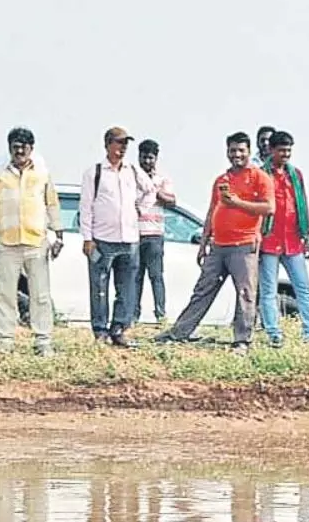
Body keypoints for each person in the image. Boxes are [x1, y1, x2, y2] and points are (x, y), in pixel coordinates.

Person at [155, 132, 273, 353]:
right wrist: (203, 243)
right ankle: (179, 332)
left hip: (244, 244)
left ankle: (242, 340)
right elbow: (212, 210)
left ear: (248, 151)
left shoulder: (259, 177)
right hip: (218, 245)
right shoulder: (222, 180)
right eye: (232, 150)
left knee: (245, 293)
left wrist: (238, 203)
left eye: (241, 150)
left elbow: (269, 208)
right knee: (203, 289)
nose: (236, 154)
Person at [0, 126, 63, 355]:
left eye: (23, 147)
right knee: (4, 294)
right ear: (9, 148)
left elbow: (53, 205)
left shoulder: (42, 175)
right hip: (7, 244)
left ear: (31, 149)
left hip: (36, 242)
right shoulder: (0, 176)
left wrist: (59, 235)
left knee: (40, 294)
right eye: (15, 147)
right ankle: (5, 341)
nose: (19, 151)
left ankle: (43, 341)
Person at [80, 126, 154, 347]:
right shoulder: (95, 172)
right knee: (99, 287)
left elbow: (150, 190)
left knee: (127, 288)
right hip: (102, 239)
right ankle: (100, 331)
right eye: (118, 143)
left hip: (129, 239)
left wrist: (140, 209)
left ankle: (119, 328)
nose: (122, 148)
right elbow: (85, 207)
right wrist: (87, 238)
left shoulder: (132, 170)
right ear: (107, 144)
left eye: (125, 144)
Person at [258, 130, 309, 346]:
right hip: (269, 239)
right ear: (271, 150)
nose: (285, 154)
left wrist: (305, 235)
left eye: (288, 150)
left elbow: (302, 202)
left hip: (293, 240)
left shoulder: (295, 174)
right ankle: (273, 333)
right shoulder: (261, 174)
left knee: (303, 287)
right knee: (268, 290)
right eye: (281, 150)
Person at [133, 139, 175, 324]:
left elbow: (172, 201)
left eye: (150, 158)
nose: (147, 161)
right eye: (144, 157)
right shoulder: (132, 177)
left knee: (156, 276)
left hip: (155, 234)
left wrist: (154, 190)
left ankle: (160, 314)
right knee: (135, 277)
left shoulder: (161, 180)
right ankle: (133, 315)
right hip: (134, 234)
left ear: (156, 158)